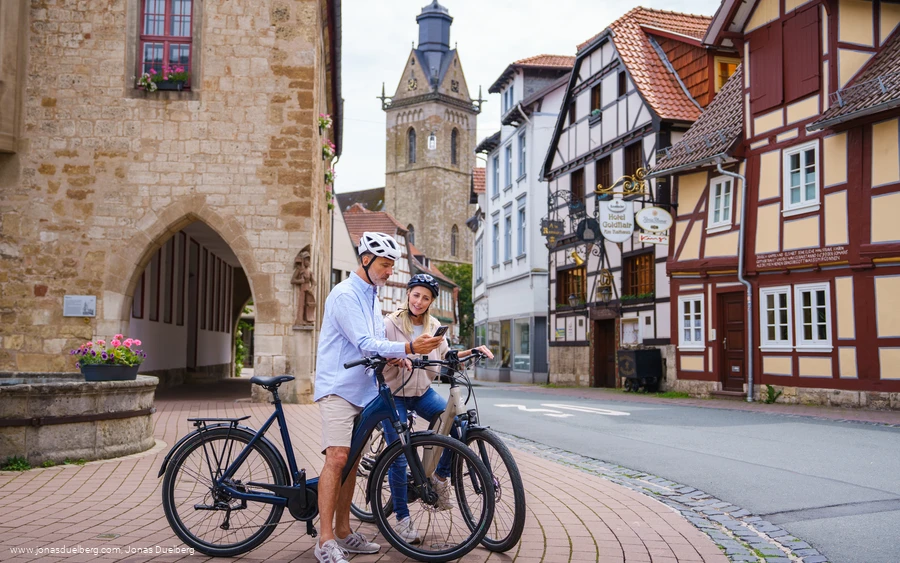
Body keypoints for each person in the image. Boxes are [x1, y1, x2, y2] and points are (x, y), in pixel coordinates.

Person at [313, 233, 445, 563]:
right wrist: (409, 347)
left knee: (354, 462)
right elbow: (365, 343)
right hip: (338, 388)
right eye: (385, 265)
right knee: (338, 458)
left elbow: (374, 343)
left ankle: (344, 533)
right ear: (366, 261)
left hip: (363, 389)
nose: (389, 272)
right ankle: (325, 541)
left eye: (391, 266)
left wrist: (395, 357)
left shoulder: (372, 295)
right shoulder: (345, 295)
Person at [381, 273, 493, 543]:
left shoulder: (434, 325)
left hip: (421, 393)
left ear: (432, 301)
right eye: (416, 295)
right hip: (394, 394)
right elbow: (380, 350)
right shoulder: (390, 323)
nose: (419, 301)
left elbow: (446, 356)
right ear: (408, 294)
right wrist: (397, 359)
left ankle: (439, 477)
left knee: (457, 425)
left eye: (426, 297)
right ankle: (402, 519)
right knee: (398, 454)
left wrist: (472, 351)